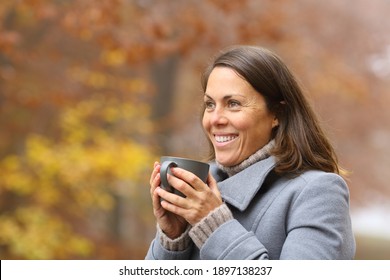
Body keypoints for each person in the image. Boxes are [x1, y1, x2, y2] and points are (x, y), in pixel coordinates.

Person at [145, 45, 356, 260]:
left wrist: (214, 226)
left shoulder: (318, 193)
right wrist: (173, 240)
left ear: (277, 114)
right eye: (210, 104)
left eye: (233, 104)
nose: (215, 119)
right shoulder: (204, 191)